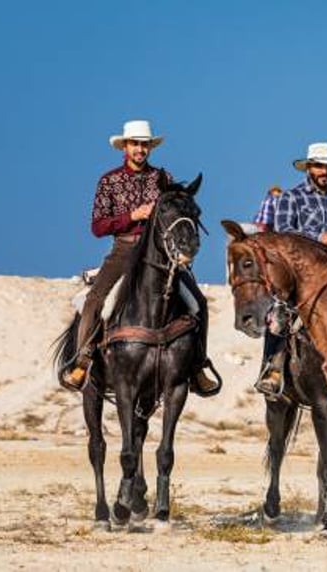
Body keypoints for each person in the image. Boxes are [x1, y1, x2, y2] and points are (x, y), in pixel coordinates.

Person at [61, 120, 220, 396]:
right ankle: (84, 359)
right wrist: (132, 216)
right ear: (125, 146)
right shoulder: (109, 181)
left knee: (199, 303)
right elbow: (98, 226)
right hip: (123, 250)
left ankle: (197, 366)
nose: (140, 149)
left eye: (144, 144)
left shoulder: (164, 178)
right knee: (95, 300)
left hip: (160, 251)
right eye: (135, 143)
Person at [255, 142, 327, 396]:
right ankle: (272, 368)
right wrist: (316, 236)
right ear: (308, 168)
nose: (324, 172)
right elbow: (283, 235)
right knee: (278, 313)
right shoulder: (290, 198)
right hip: (300, 279)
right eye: (319, 166)